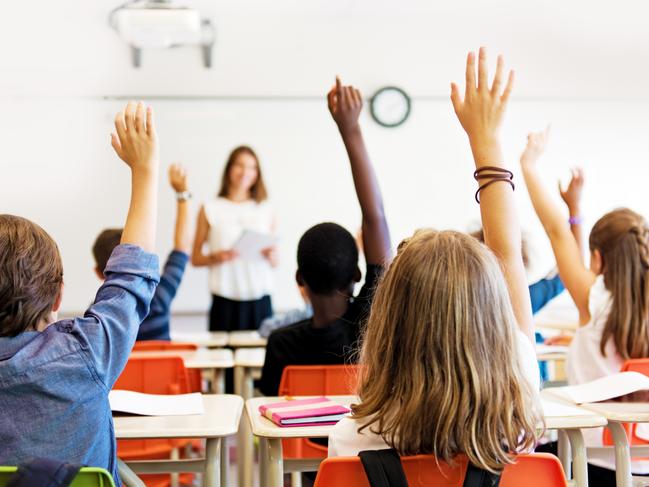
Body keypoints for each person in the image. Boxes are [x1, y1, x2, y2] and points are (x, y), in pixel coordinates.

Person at [329, 49, 542, 474]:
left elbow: (507, 261)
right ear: (493, 315)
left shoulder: (353, 438)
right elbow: (509, 260)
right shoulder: (518, 418)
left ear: (389, 321)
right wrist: (486, 141)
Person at [0, 101, 160, 486]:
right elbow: (130, 280)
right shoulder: (85, 353)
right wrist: (145, 170)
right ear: (57, 299)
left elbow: (130, 278)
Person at [520, 127, 649, 485]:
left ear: (597, 258)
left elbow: (555, 231)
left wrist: (529, 163)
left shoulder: (593, 299)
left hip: (592, 465)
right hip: (643, 467)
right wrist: (575, 209)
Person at [258, 77, 392, 396]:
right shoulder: (372, 330)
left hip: (298, 449)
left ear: (299, 279)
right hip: (362, 448)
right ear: (358, 274)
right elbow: (375, 218)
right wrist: (350, 129)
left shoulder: (281, 344)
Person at [92, 163, 192, 341]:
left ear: (99, 272)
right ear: (137, 261)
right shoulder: (159, 298)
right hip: (162, 370)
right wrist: (182, 194)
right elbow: (182, 249)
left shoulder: (97, 316)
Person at [192, 146, 277, 331]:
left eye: (252, 167)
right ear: (229, 168)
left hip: (260, 299)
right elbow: (195, 258)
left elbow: (275, 260)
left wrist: (272, 257)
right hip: (225, 301)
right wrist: (217, 257)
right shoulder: (210, 208)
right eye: (240, 165)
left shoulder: (265, 209)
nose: (245, 172)